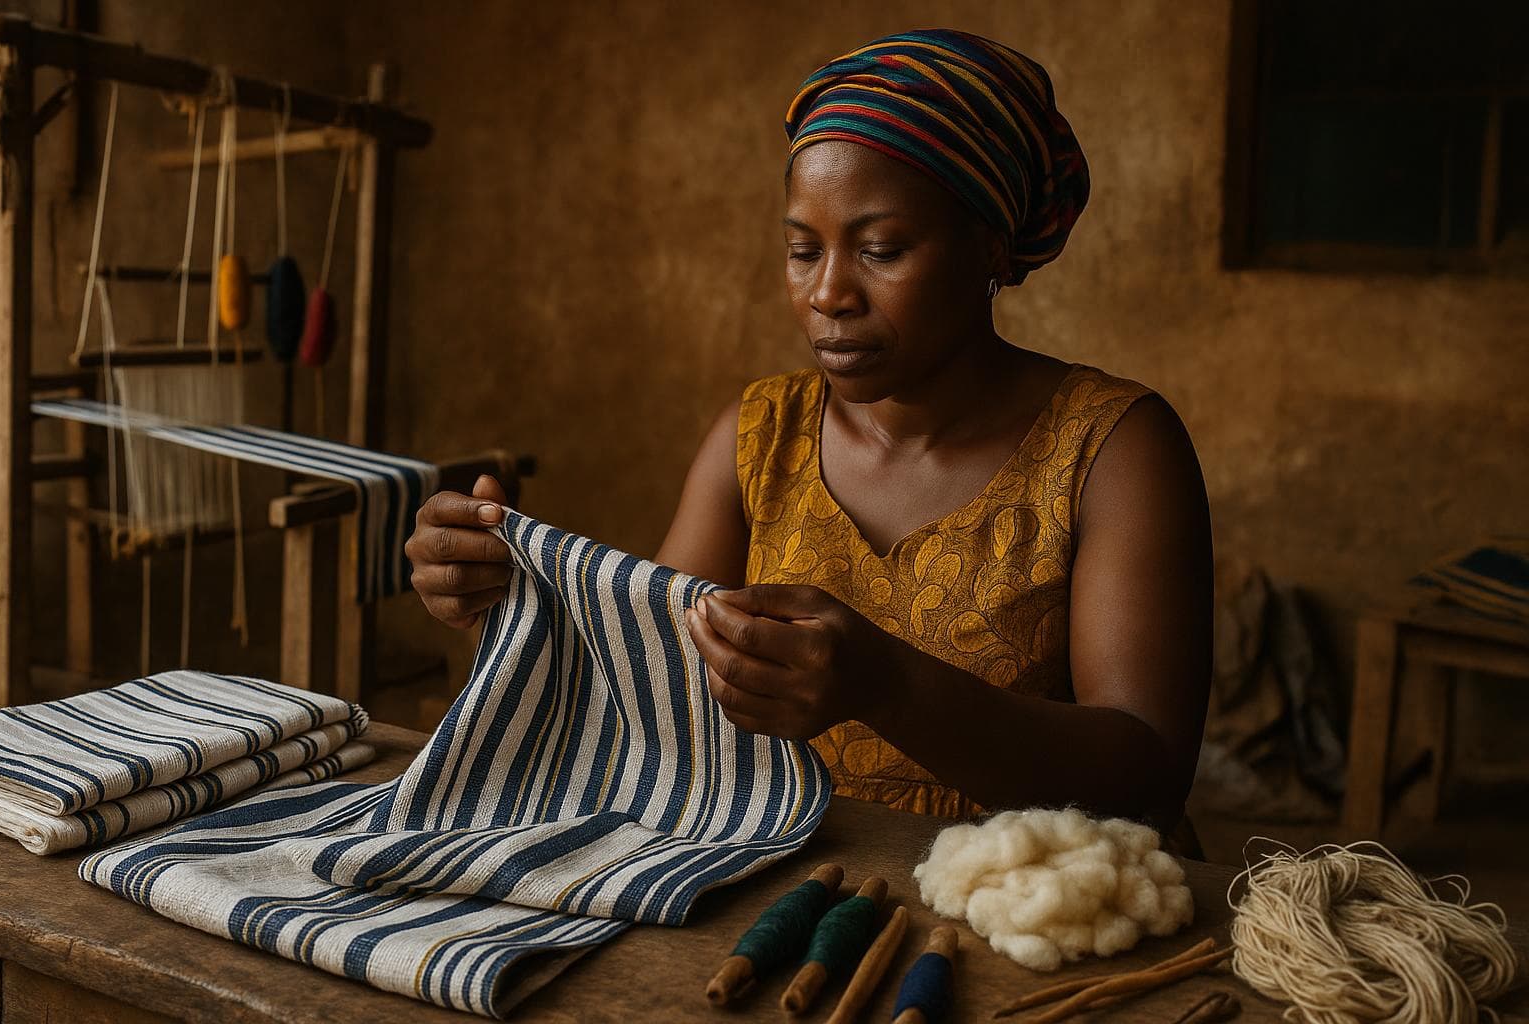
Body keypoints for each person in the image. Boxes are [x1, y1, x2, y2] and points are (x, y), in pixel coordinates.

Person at [405, 29, 1212, 835]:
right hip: (789, 885)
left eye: (881, 250)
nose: (829, 293)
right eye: (802, 250)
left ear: (989, 249)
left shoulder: (1112, 448)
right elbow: (654, 691)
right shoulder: (759, 436)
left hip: (1033, 906)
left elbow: (1147, 763)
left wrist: (891, 688)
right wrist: (508, 605)